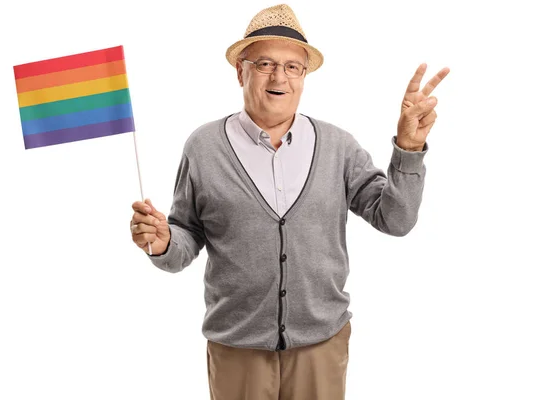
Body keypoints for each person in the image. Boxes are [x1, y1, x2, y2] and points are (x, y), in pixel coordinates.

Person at [129, 3, 449, 399]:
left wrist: (410, 148)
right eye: (264, 64)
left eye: (292, 66)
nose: (279, 76)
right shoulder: (204, 147)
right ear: (240, 71)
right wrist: (161, 242)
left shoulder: (338, 146)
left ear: (303, 76)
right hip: (236, 348)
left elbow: (395, 220)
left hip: (321, 345)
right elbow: (186, 236)